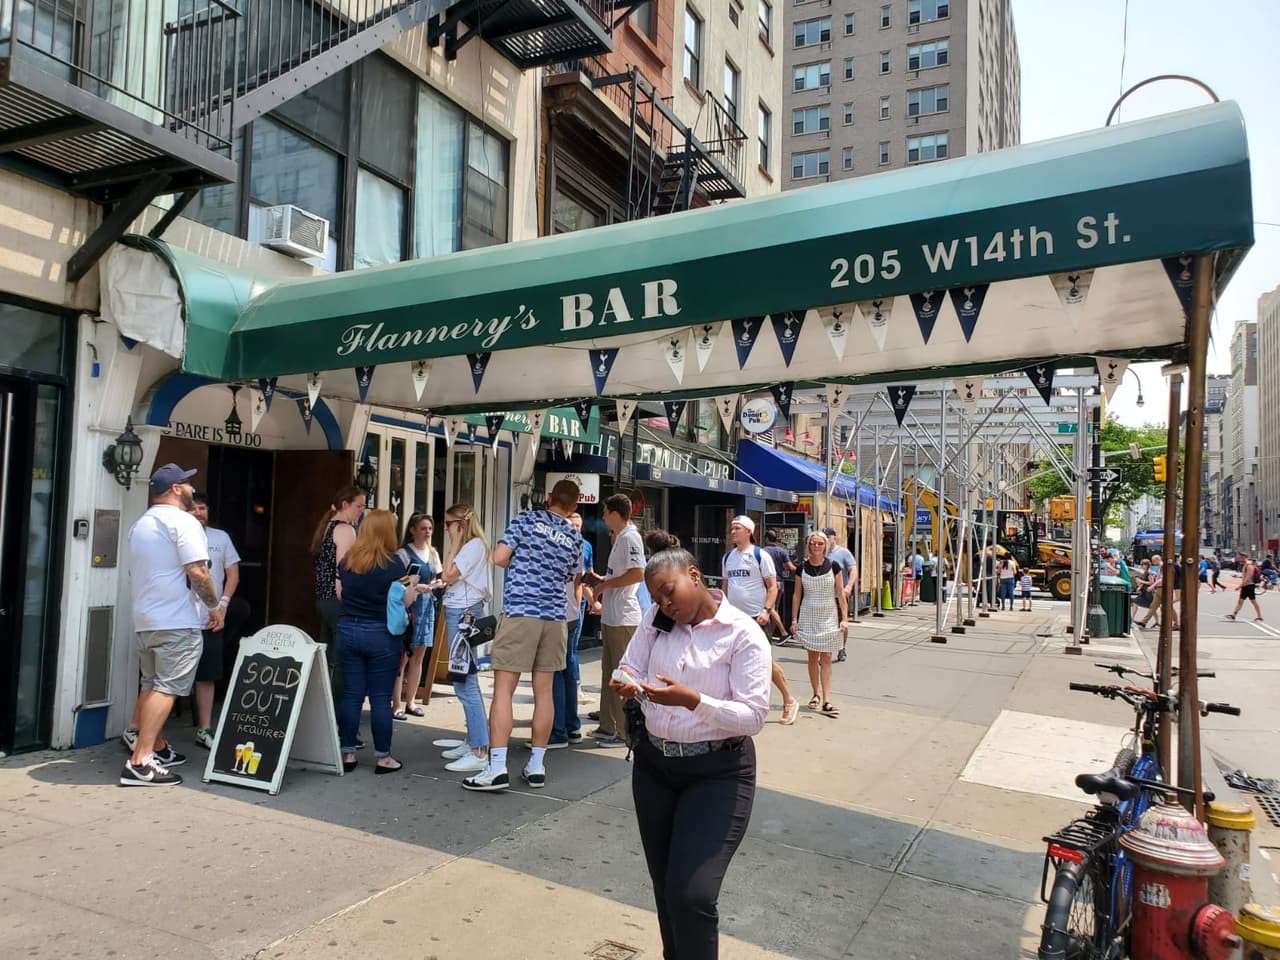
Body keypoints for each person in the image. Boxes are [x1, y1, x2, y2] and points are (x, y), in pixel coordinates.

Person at [612, 547, 770, 960]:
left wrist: (693, 701)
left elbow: (753, 716)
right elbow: (629, 664)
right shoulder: (657, 621)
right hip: (654, 766)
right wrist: (626, 680)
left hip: (717, 772)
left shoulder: (741, 633)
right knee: (665, 886)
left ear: (695, 575)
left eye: (669, 591)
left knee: (692, 893)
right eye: (658, 598)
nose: (666, 604)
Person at [463, 480, 583, 792]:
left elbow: (499, 557)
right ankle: (536, 765)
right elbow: (571, 575)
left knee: (504, 689)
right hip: (554, 618)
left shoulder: (525, 520)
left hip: (521, 611)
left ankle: (498, 767)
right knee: (544, 692)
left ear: (549, 499)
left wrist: (523, 563)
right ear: (574, 507)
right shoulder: (574, 537)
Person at [120, 464, 223, 786]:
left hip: (146, 619)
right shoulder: (183, 522)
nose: (193, 487)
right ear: (177, 489)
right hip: (176, 619)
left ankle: (156, 746)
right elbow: (198, 571)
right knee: (166, 687)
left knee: (151, 684)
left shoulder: (141, 524)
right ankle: (141, 761)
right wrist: (213, 605)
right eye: (188, 482)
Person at [336, 509, 420, 775]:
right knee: (381, 699)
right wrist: (414, 585)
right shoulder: (395, 565)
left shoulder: (348, 561)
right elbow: (407, 600)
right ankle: (383, 758)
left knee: (352, 695)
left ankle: (347, 753)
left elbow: (340, 594)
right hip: (381, 634)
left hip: (348, 629)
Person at [722, 516, 798, 725]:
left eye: (737, 528)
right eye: (732, 528)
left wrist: (766, 610)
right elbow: (726, 587)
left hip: (758, 618)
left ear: (748, 531)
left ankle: (789, 700)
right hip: (734, 618)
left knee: (764, 661)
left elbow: (773, 587)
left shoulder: (760, 555)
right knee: (733, 660)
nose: (733, 531)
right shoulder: (728, 557)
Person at [585, 494, 647, 748]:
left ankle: (624, 732)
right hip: (613, 615)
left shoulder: (630, 538)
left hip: (624, 616)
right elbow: (621, 575)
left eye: (605, 511)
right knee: (610, 672)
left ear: (615, 513)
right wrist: (600, 580)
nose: (602, 516)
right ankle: (609, 725)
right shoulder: (621, 538)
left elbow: (637, 573)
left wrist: (605, 586)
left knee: (622, 675)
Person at [438, 504, 492, 774]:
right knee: (464, 679)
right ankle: (474, 740)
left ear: (460, 524)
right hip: (462, 610)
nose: (446, 529)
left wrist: (455, 542)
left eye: (449, 524)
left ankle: (479, 749)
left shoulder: (471, 547)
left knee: (465, 681)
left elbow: (448, 575)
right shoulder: (475, 547)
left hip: (464, 612)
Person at [190, 493, 245, 749]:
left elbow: (232, 574)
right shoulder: (177, 536)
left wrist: (222, 606)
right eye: (194, 509)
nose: (199, 512)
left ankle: (204, 729)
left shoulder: (220, 537)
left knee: (207, 675)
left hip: (212, 619)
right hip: (182, 618)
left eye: (202, 508)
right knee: (167, 678)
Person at [311, 486, 366, 721]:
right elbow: (341, 570)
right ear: (345, 504)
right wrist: (349, 602)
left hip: (323, 599)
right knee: (343, 661)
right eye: (359, 506)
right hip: (337, 599)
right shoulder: (345, 530)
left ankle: (324, 718)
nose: (361, 511)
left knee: (330, 659)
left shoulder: (326, 526)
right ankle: (337, 720)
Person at [792, 531, 847, 717]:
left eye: (819, 544)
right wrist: (794, 620)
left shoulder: (834, 566)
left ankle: (826, 699)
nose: (816, 547)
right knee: (812, 656)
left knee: (827, 657)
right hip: (808, 615)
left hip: (829, 615)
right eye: (812, 544)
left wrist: (844, 619)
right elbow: (797, 594)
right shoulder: (801, 568)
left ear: (825, 546)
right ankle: (815, 693)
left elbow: (840, 593)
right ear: (808, 546)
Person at [392, 512, 442, 720]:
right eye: (423, 528)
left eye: (429, 528)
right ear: (413, 530)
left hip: (427, 606)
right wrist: (413, 585)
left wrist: (436, 585)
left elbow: (440, 577)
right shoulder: (403, 553)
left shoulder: (433, 553)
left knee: (418, 657)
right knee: (402, 657)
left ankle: (411, 701)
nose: (427, 532)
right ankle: (396, 704)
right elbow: (395, 578)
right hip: (408, 607)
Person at [551, 511, 591, 748]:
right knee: (566, 669)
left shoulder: (557, 548)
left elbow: (577, 583)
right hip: (570, 614)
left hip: (559, 616)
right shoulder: (577, 547)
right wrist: (577, 609)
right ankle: (572, 726)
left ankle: (558, 730)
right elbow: (578, 582)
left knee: (556, 671)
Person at [823, 527, 857, 661]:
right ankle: (825, 648)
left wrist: (849, 586)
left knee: (842, 620)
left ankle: (842, 648)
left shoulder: (843, 553)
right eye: (823, 537)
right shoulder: (820, 553)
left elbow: (853, 570)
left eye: (828, 537)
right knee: (825, 622)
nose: (826, 539)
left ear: (834, 538)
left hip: (839, 593)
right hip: (824, 594)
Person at [762, 529, 796, 640]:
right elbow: (790, 567)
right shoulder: (781, 551)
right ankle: (769, 636)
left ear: (766, 539)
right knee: (774, 609)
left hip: (768, 583)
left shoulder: (763, 551)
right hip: (780, 582)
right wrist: (800, 571)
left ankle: (783, 632)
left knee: (769, 608)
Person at [1226, 552, 1264, 622]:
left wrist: (1239, 586)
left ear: (1243, 557)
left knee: (1253, 601)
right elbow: (1245, 576)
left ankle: (1259, 616)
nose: (1238, 559)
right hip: (1245, 586)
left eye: (1239, 557)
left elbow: (1249, 578)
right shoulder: (1245, 565)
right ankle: (1233, 615)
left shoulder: (1249, 566)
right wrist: (1238, 576)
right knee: (1240, 601)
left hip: (1249, 586)